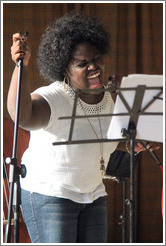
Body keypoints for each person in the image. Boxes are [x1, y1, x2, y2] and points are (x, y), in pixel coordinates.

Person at [8, 13, 159, 243]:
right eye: (82, 64)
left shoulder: (108, 98)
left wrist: (128, 146)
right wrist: (22, 68)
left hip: (93, 194)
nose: (94, 67)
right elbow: (22, 116)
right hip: (51, 195)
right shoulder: (53, 97)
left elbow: (99, 138)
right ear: (65, 68)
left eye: (97, 59)